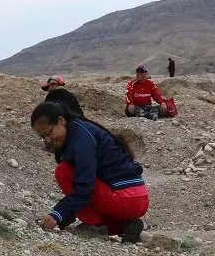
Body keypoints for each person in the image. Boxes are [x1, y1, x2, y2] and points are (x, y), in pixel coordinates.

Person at [31, 101, 148, 243]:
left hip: (125, 199)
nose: (48, 140)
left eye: (48, 133)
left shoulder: (81, 139)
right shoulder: (82, 130)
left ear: (61, 121)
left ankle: (94, 225)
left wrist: (58, 214)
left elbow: (84, 187)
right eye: (43, 137)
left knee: (64, 171)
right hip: (137, 197)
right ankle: (123, 226)